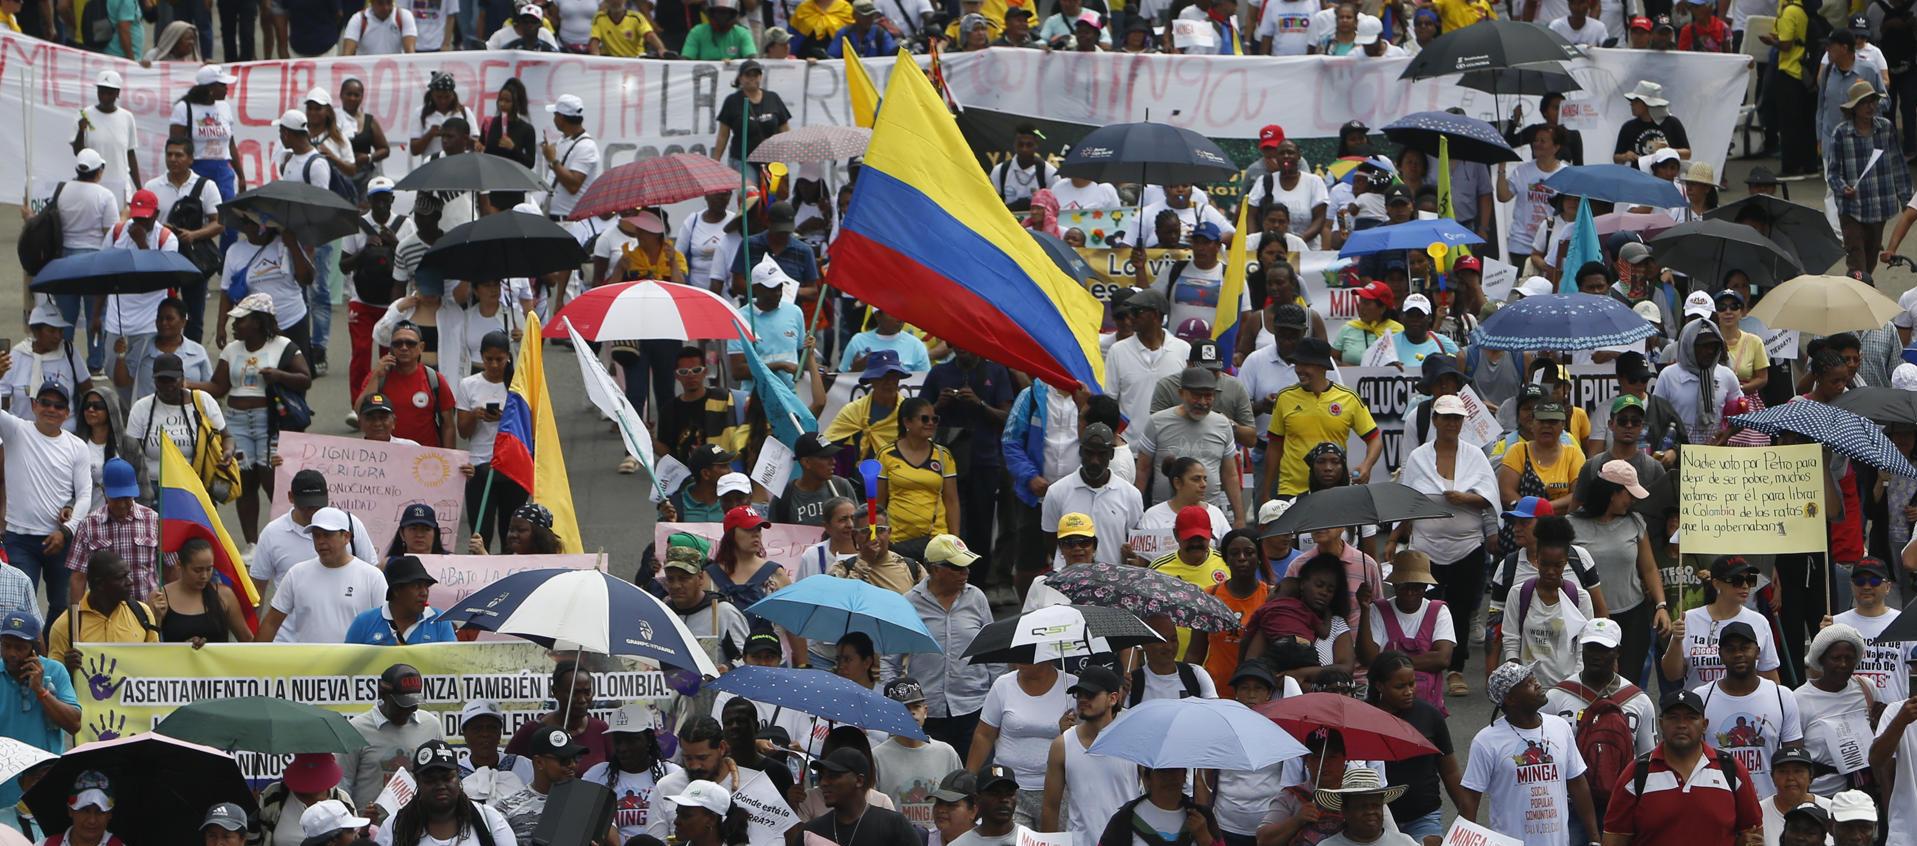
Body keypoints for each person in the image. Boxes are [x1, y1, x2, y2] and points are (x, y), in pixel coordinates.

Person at [1459, 662, 1602, 846]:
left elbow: (1577, 782)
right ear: (1510, 699)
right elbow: (1470, 800)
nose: (1538, 684)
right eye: (1528, 683)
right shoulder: (1486, 741)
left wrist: (1594, 838)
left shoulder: (1560, 727)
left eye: (1534, 678)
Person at [1600, 688, 1764, 845]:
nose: (1682, 725)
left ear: (1704, 725)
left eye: (1691, 717)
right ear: (1661, 723)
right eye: (1673, 717)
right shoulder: (1636, 774)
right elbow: (1614, 840)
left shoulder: (1732, 770)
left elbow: (1754, 835)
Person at [210, 294, 308, 544]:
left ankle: (283, 539)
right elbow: (218, 386)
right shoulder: (231, 350)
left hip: (270, 422)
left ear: (258, 321)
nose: (235, 325)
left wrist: (278, 375)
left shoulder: (284, 346)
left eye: (241, 320)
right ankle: (252, 544)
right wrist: (185, 386)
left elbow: (305, 378)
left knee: (272, 481)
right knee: (245, 483)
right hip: (236, 422)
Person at [898, 535, 995, 758]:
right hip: (927, 712)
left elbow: (992, 651)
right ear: (935, 569)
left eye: (967, 567)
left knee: (978, 783)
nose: (966, 573)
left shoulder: (977, 598)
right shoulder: (909, 603)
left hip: (975, 708)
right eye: (957, 567)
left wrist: (996, 701)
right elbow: (890, 660)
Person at [1693, 621, 1805, 799]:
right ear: (1720, 655)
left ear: (1758, 651)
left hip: (1769, 804)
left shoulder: (1782, 696)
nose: (1738, 654)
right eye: (1730, 649)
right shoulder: (1700, 698)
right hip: (1717, 802)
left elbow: (1795, 758)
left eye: (1745, 648)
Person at [1264, 338, 1380, 500]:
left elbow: (1375, 440)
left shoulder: (1348, 398)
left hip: (1334, 491)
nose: (1299, 369)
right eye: (1297, 364)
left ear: (1322, 367)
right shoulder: (1284, 398)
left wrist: (1366, 466)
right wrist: (1266, 492)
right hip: (1291, 491)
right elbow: (1274, 447)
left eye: (1305, 364)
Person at [1032, 664, 1135, 846]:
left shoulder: (1134, 741)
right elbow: (1050, 807)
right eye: (1079, 694)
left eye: (1091, 694)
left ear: (1113, 699)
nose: (1082, 699)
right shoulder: (1062, 745)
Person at [253, 507, 387, 644]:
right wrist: (253, 659)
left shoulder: (373, 577)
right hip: (308, 664)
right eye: (317, 535)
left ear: (346, 537)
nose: (321, 541)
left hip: (357, 664)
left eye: (328, 535)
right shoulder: (296, 574)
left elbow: (387, 625)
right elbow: (271, 622)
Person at [967, 659, 1074, 829]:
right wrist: (969, 778)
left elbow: (1088, 737)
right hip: (1008, 791)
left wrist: (1070, 732)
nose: (1020, 660)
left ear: (1045, 656)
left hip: (1058, 791)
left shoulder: (1073, 687)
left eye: (1027, 655)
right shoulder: (1002, 685)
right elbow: (984, 735)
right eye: (1017, 653)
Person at [1827, 80, 1913, 275]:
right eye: (1864, 102)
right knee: (1856, 260)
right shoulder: (1841, 133)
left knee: (1871, 257)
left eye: (1873, 101)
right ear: (1854, 108)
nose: (1870, 106)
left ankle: (1862, 291)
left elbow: (1898, 165)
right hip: (1852, 208)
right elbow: (1832, 173)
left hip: (1878, 206)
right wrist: (1842, 188)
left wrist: (1906, 199)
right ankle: (1857, 296)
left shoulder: (1886, 128)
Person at [1663, 556, 1783, 690]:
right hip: (1699, 708)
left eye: (1750, 580)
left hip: (1744, 708)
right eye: (1737, 581)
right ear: (1716, 583)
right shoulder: (1689, 619)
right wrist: (1676, 641)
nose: (1745, 586)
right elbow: (1672, 675)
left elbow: (1769, 674)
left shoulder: (1759, 622)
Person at [1501, 517, 1596, 687]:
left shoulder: (1580, 599)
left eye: (1557, 565)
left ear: (1566, 562)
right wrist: (1517, 677)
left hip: (1567, 689)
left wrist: (1574, 687)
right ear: (1536, 559)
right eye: (1544, 564)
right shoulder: (1519, 594)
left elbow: (1584, 647)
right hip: (1529, 689)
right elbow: (1511, 639)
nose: (1550, 571)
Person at [249, 469, 377, 594]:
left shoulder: (350, 524)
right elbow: (258, 587)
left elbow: (373, 573)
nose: (313, 511)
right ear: (291, 497)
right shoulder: (271, 534)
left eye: (318, 505)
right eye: (306, 506)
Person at [1356, 553, 1455, 714]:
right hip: (1385, 708)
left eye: (1416, 587)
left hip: (1428, 707)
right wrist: (1365, 610)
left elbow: (1443, 659)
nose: (1410, 592)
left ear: (1425, 587)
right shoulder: (1376, 610)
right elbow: (1367, 659)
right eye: (1404, 586)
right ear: (1394, 586)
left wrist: (1389, 663)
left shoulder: (1439, 611)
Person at [341, 665, 446, 810]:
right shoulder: (355, 729)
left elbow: (441, 775)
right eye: (402, 704)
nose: (412, 709)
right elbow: (343, 785)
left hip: (418, 825)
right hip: (370, 829)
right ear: (383, 695)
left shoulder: (431, 725)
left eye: (414, 703)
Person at [372, 740, 516, 846]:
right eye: (430, 780)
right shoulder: (395, 827)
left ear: (458, 775)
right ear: (417, 780)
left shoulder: (489, 820)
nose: (440, 786)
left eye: (447, 778)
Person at [63, 456, 162, 609]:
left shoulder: (153, 520)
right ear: (104, 492)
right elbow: (78, 577)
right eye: (116, 499)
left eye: (127, 498)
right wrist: (76, 619)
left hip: (147, 611)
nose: (122, 505)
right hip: (104, 616)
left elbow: (171, 568)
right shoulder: (88, 525)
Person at [1040, 424, 1144, 569]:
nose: (1094, 461)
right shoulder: (1056, 492)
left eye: (1101, 454)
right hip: (1068, 581)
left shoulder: (1131, 495)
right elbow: (1050, 539)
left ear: (1111, 454)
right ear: (1081, 451)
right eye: (1089, 453)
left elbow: (1135, 543)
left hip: (1111, 582)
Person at [1793, 623, 1875, 798]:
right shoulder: (1799, 699)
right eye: (1836, 658)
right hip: (1820, 797)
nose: (1843, 664)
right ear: (1822, 659)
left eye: (1849, 657)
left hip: (1863, 797)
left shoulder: (1866, 688)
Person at [580, 703, 682, 841]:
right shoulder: (595, 776)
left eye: (631, 740)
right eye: (618, 740)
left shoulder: (672, 775)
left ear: (649, 739)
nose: (623, 748)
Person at [662, 539, 751, 675]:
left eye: (684, 578)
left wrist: (729, 668)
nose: (676, 585)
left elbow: (749, 659)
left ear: (701, 578)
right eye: (670, 579)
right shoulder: (662, 614)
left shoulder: (724, 613)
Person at [505, 660, 612, 771]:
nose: (582, 699)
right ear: (555, 692)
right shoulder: (532, 730)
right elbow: (506, 770)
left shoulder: (601, 729)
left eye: (587, 692)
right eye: (574, 693)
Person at [799, 747, 919, 845]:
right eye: (822, 776)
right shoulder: (812, 831)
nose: (823, 783)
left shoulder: (894, 825)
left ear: (859, 781)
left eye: (833, 775)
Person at [153, 537, 250, 645]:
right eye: (197, 570)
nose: (204, 576)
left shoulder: (224, 595)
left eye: (209, 569)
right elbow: (149, 645)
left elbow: (247, 640)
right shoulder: (161, 598)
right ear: (180, 565)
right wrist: (157, 618)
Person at [494, 726, 584, 841]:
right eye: (564, 760)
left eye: (576, 758)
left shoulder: (589, 801)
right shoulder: (507, 807)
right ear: (539, 762)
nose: (573, 765)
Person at [343, 555, 454, 646]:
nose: (424, 592)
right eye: (417, 586)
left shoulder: (440, 621)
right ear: (396, 590)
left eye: (426, 586)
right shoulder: (364, 621)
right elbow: (346, 666)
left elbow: (453, 665)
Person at [1096, 767, 1215, 846]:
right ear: (1148, 778)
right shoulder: (1125, 818)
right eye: (1162, 771)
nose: (1169, 777)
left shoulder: (1201, 818)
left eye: (1175, 770)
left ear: (1184, 776)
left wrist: (1206, 840)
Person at [713, 61, 790, 167]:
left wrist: (797, 155)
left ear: (761, 77)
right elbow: (723, 135)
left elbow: (785, 131)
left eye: (756, 75)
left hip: (772, 160)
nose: (752, 78)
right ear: (740, 78)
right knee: (750, 184)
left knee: (773, 184)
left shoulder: (773, 98)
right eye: (748, 75)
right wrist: (715, 161)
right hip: (743, 160)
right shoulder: (732, 101)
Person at [456, 700, 529, 803]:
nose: (485, 734)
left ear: (500, 732)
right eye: (477, 728)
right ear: (464, 733)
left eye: (492, 728)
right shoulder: (454, 773)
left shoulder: (523, 766)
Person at [1759, 747, 1827, 846]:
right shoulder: (1758, 813)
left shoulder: (1831, 810)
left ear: (1811, 776)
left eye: (1798, 771)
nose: (1790, 778)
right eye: (1783, 771)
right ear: (1772, 777)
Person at [1613, 81, 1692, 163]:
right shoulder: (1628, 127)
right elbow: (1616, 158)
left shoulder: (1672, 123)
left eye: (1636, 101)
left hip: (1666, 175)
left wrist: (1669, 151)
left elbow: (1687, 154)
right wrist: (1625, 156)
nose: (1631, 104)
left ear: (1648, 104)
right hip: (1636, 175)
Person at [339, 0, 419, 53]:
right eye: (380, 4)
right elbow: (347, 54)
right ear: (372, 3)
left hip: (395, 72)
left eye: (389, 3)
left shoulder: (403, 16)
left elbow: (410, 53)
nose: (386, 8)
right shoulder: (358, 19)